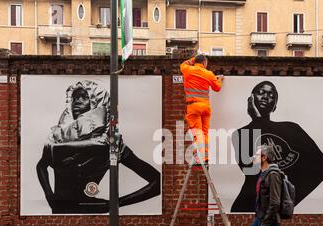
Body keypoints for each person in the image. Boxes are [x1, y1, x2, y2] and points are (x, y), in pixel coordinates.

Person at [36, 80, 160, 214]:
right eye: (74, 98)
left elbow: (158, 182)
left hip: (90, 208)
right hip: (61, 211)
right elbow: (42, 165)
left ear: (96, 103)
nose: (77, 101)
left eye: (84, 97)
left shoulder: (110, 144)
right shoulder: (59, 136)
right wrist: (49, 196)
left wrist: (117, 203)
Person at [231, 81, 323, 212]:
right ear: (251, 99)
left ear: (274, 107)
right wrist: (257, 119)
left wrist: (288, 199)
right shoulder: (241, 133)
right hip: (248, 205)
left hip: (274, 206)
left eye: (272, 96)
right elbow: (250, 170)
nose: (266, 97)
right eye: (261, 93)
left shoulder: (292, 128)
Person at [180, 54, 224, 164]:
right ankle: (205, 156)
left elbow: (183, 63)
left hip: (193, 106)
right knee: (204, 132)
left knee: (197, 132)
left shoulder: (187, 69)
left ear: (195, 61)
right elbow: (217, 88)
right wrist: (219, 79)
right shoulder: (208, 74)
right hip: (205, 107)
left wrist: (194, 59)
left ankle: (200, 157)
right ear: (204, 63)